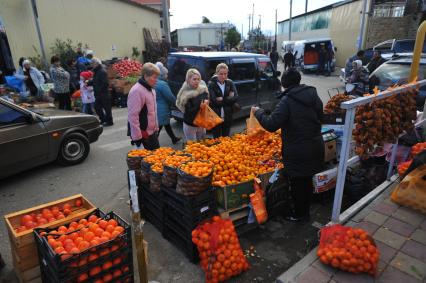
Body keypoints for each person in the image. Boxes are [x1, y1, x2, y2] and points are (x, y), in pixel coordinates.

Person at [252, 68, 324, 222]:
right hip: (315, 145)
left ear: (284, 84)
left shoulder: (288, 100)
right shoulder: (312, 95)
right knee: (306, 180)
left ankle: (299, 214)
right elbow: (320, 116)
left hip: (298, 150)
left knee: (298, 183)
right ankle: (305, 211)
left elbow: (271, 124)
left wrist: (258, 113)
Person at [127, 63, 161, 150]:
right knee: (147, 162)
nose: (156, 80)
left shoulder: (151, 89)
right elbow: (133, 116)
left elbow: (153, 112)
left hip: (152, 133)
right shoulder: (137, 91)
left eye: (157, 77)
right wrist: (138, 138)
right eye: (154, 77)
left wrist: (156, 128)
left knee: (157, 159)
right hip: (143, 135)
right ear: (146, 76)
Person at [176, 68, 209, 141]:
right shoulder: (185, 94)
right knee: (193, 148)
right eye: (194, 79)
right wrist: (199, 107)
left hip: (201, 124)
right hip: (190, 125)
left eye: (198, 79)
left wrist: (208, 103)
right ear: (188, 80)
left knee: (202, 146)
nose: (197, 81)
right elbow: (188, 112)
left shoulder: (203, 90)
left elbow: (208, 103)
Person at [208, 63, 238, 138]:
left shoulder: (230, 83)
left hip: (227, 115)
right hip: (216, 116)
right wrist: (228, 98)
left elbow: (236, 97)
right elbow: (214, 101)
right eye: (221, 74)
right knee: (216, 139)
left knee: (226, 138)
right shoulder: (212, 84)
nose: (223, 76)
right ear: (216, 73)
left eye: (225, 74)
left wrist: (222, 99)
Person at [154, 62, 181, 144]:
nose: (167, 76)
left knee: (166, 124)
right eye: (166, 74)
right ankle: (153, 144)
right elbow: (170, 97)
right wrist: (177, 103)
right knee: (160, 126)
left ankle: (173, 138)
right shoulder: (162, 84)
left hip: (155, 108)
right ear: (161, 75)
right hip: (162, 108)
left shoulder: (154, 82)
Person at [91, 57, 113, 126]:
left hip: (104, 94)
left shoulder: (102, 71)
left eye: (92, 63)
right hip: (98, 94)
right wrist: (89, 82)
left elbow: (105, 83)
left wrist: (99, 90)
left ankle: (109, 122)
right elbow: (95, 81)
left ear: (96, 63)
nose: (91, 65)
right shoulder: (96, 71)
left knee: (107, 109)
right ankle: (103, 119)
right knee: (97, 107)